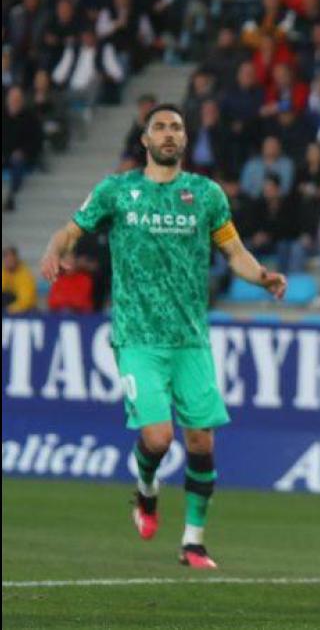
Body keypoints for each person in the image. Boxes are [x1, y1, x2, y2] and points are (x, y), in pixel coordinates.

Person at [39, 104, 287, 570]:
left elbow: (233, 251)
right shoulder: (118, 190)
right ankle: (147, 491)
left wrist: (263, 277)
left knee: (202, 444)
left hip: (191, 339)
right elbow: (70, 231)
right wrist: (56, 252)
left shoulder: (206, 194)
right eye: (160, 127)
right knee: (157, 439)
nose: (169, 134)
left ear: (185, 139)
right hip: (138, 337)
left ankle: (193, 541)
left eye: (176, 127)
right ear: (145, 140)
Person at [2, 245, 38, 313]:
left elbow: (26, 300)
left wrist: (9, 309)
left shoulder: (25, 275)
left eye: (10, 259)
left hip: (26, 311)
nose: (8, 261)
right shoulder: (4, 273)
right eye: (6, 258)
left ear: (16, 258)